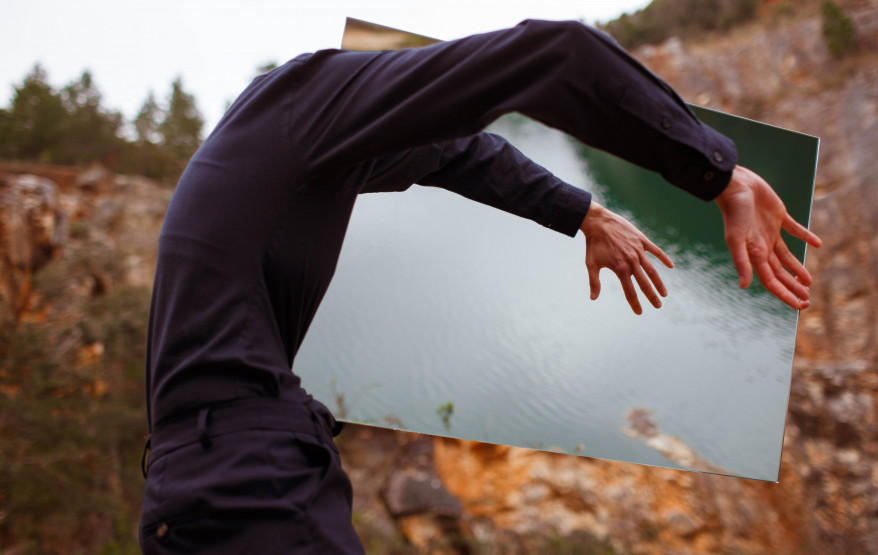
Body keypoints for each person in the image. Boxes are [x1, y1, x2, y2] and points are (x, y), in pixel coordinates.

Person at [138, 19, 822, 553]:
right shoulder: (301, 102)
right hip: (249, 481)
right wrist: (720, 174)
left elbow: (451, 151)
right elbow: (557, 55)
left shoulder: (277, 143)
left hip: (191, 488)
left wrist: (582, 212)